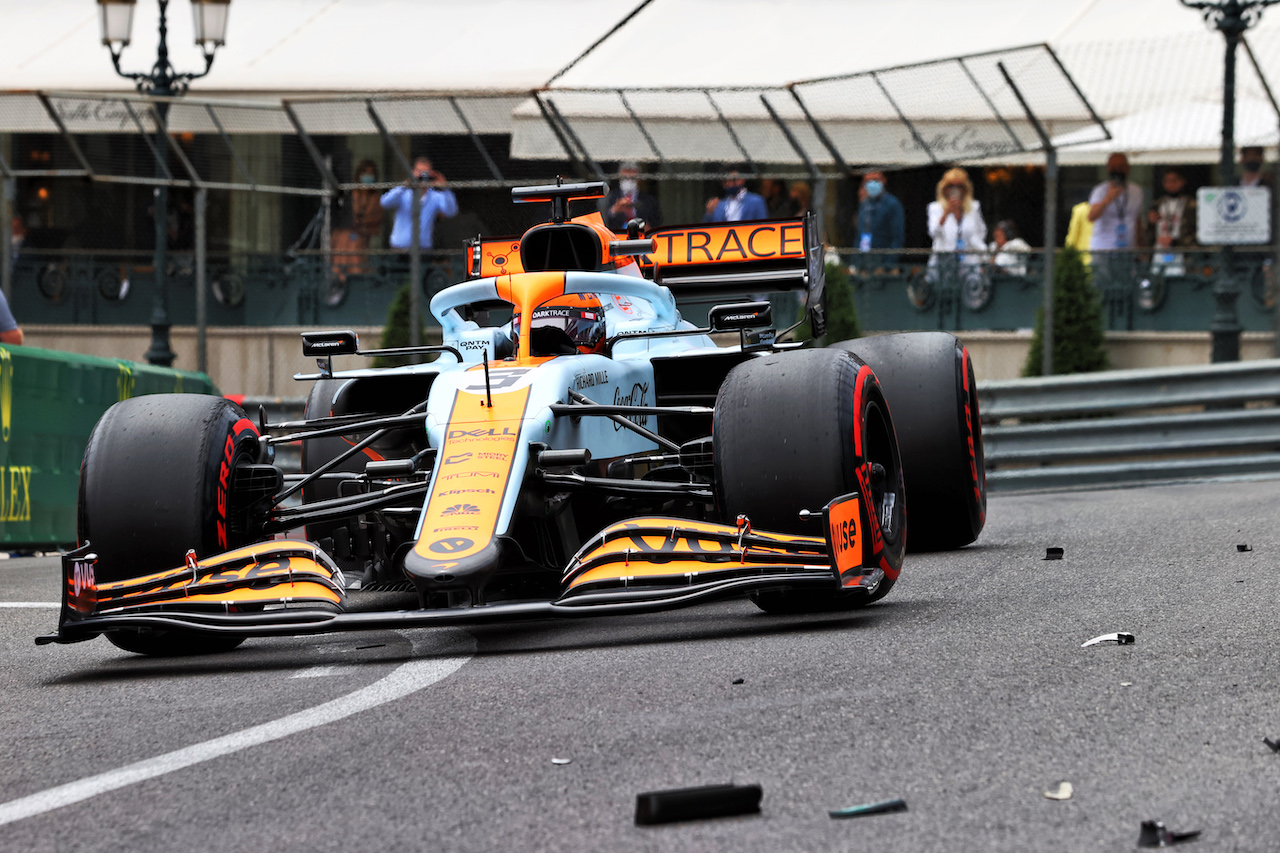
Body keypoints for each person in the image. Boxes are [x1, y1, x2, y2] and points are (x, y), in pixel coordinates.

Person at [1087, 153, 1144, 289]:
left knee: (1126, 286)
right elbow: (1091, 216)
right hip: (1103, 249)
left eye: (1120, 167)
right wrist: (1107, 199)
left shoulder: (1136, 191)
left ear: (1127, 168)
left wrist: (1141, 248)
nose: (1117, 170)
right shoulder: (1100, 191)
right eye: (1113, 167)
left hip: (1127, 250)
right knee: (1101, 286)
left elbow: (1137, 220)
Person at [380, 155, 458, 253]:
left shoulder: (435, 196)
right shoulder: (403, 193)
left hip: (423, 249)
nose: (422, 176)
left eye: (426, 173)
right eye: (419, 172)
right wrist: (404, 185)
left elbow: (450, 212)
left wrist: (445, 188)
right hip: (399, 247)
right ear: (413, 172)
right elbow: (384, 202)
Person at [927, 167, 987, 262]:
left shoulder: (974, 207)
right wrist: (946, 213)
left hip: (969, 261)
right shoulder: (935, 208)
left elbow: (981, 232)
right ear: (944, 188)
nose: (955, 190)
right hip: (944, 261)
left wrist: (980, 254)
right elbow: (933, 233)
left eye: (959, 186)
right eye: (950, 186)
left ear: (965, 189)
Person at [1147, 168, 1197, 274]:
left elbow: (1195, 233)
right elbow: (1148, 234)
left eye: (1174, 181)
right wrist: (1151, 223)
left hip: (1181, 255)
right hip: (1160, 252)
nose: (1170, 185)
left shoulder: (1191, 205)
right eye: (1167, 181)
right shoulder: (1157, 204)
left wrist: (1175, 242)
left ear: (1182, 182)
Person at [854, 170, 905, 265]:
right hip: (864, 260)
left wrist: (887, 265)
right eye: (868, 181)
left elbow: (897, 238)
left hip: (883, 262)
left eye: (876, 180)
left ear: (883, 180)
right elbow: (860, 234)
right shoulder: (865, 205)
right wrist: (857, 262)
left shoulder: (892, 204)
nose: (872, 184)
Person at [601, 161, 662, 232]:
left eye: (632, 178)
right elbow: (603, 221)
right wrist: (614, 210)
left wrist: (648, 227)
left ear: (639, 179)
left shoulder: (650, 200)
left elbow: (657, 221)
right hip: (618, 237)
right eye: (624, 178)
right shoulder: (610, 197)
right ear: (619, 178)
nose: (628, 182)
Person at [703, 165, 768, 222]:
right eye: (725, 181)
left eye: (733, 180)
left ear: (743, 179)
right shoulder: (719, 205)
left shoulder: (756, 201)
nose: (729, 184)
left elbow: (763, 226)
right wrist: (709, 213)